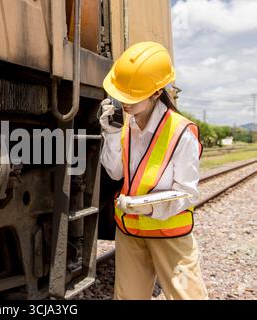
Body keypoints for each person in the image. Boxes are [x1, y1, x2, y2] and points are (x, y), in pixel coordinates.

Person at [99, 41, 208, 300]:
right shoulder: (126, 128)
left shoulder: (181, 132)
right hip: (130, 234)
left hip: (168, 234)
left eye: (132, 95)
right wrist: (112, 134)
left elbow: (187, 194)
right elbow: (115, 173)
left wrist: (144, 206)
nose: (124, 102)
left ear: (157, 92)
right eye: (121, 94)